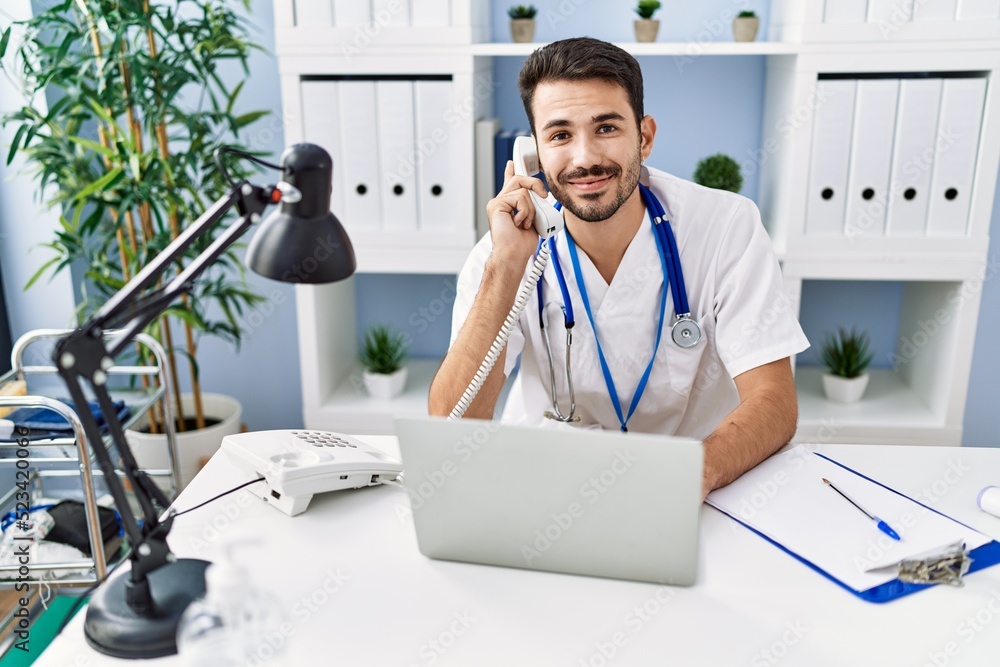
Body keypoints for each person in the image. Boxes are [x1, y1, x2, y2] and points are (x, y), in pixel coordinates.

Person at [428, 37, 809, 498]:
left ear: (644, 136)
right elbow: (450, 427)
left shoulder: (726, 227)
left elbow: (774, 403)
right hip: (546, 487)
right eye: (560, 135)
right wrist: (507, 268)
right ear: (532, 154)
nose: (585, 157)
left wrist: (687, 479)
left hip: (693, 486)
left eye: (606, 128)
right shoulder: (503, 255)